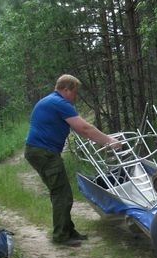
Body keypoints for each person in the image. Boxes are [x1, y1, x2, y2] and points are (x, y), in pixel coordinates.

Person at [24, 74, 120, 247]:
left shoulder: (52, 102)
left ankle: (68, 230)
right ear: (66, 90)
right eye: (75, 92)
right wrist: (109, 141)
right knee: (62, 194)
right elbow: (84, 128)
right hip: (43, 152)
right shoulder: (59, 103)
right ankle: (61, 236)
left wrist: (100, 139)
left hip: (40, 151)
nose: (76, 97)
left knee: (61, 192)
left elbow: (83, 131)